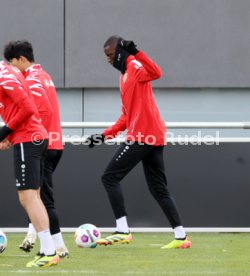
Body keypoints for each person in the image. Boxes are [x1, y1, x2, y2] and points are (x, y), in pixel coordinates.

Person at [86, 35, 191, 249]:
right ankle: (181, 237)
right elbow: (126, 116)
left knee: (109, 177)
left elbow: (157, 73)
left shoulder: (134, 65)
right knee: (158, 188)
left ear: (121, 53)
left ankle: (123, 230)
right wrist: (103, 136)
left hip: (143, 136)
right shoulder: (124, 76)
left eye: (110, 55)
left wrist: (136, 52)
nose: (108, 60)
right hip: (150, 135)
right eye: (105, 56)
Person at [4, 40, 69, 258]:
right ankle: (44, 241)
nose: (11, 66)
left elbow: (36, 111)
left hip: (38, 140)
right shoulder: (45, 76)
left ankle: (55, 247)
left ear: (21, 59)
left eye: (12, 62)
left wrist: (10, 133)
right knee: (38, 195)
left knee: (36, 197)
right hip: (52, 141)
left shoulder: (29, 79)